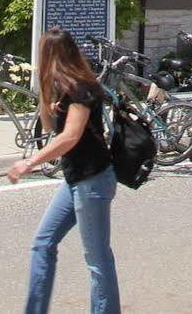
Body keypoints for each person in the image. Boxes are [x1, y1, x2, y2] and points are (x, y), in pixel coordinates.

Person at [8, 29, 120, 313]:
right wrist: (46, 96)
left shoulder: (83, 89)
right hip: (74, 180)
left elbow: (69, 137)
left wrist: (29, 163)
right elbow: (48, 127)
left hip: (93, 180)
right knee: (42, 243)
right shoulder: (63, 88)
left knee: (97, 259)